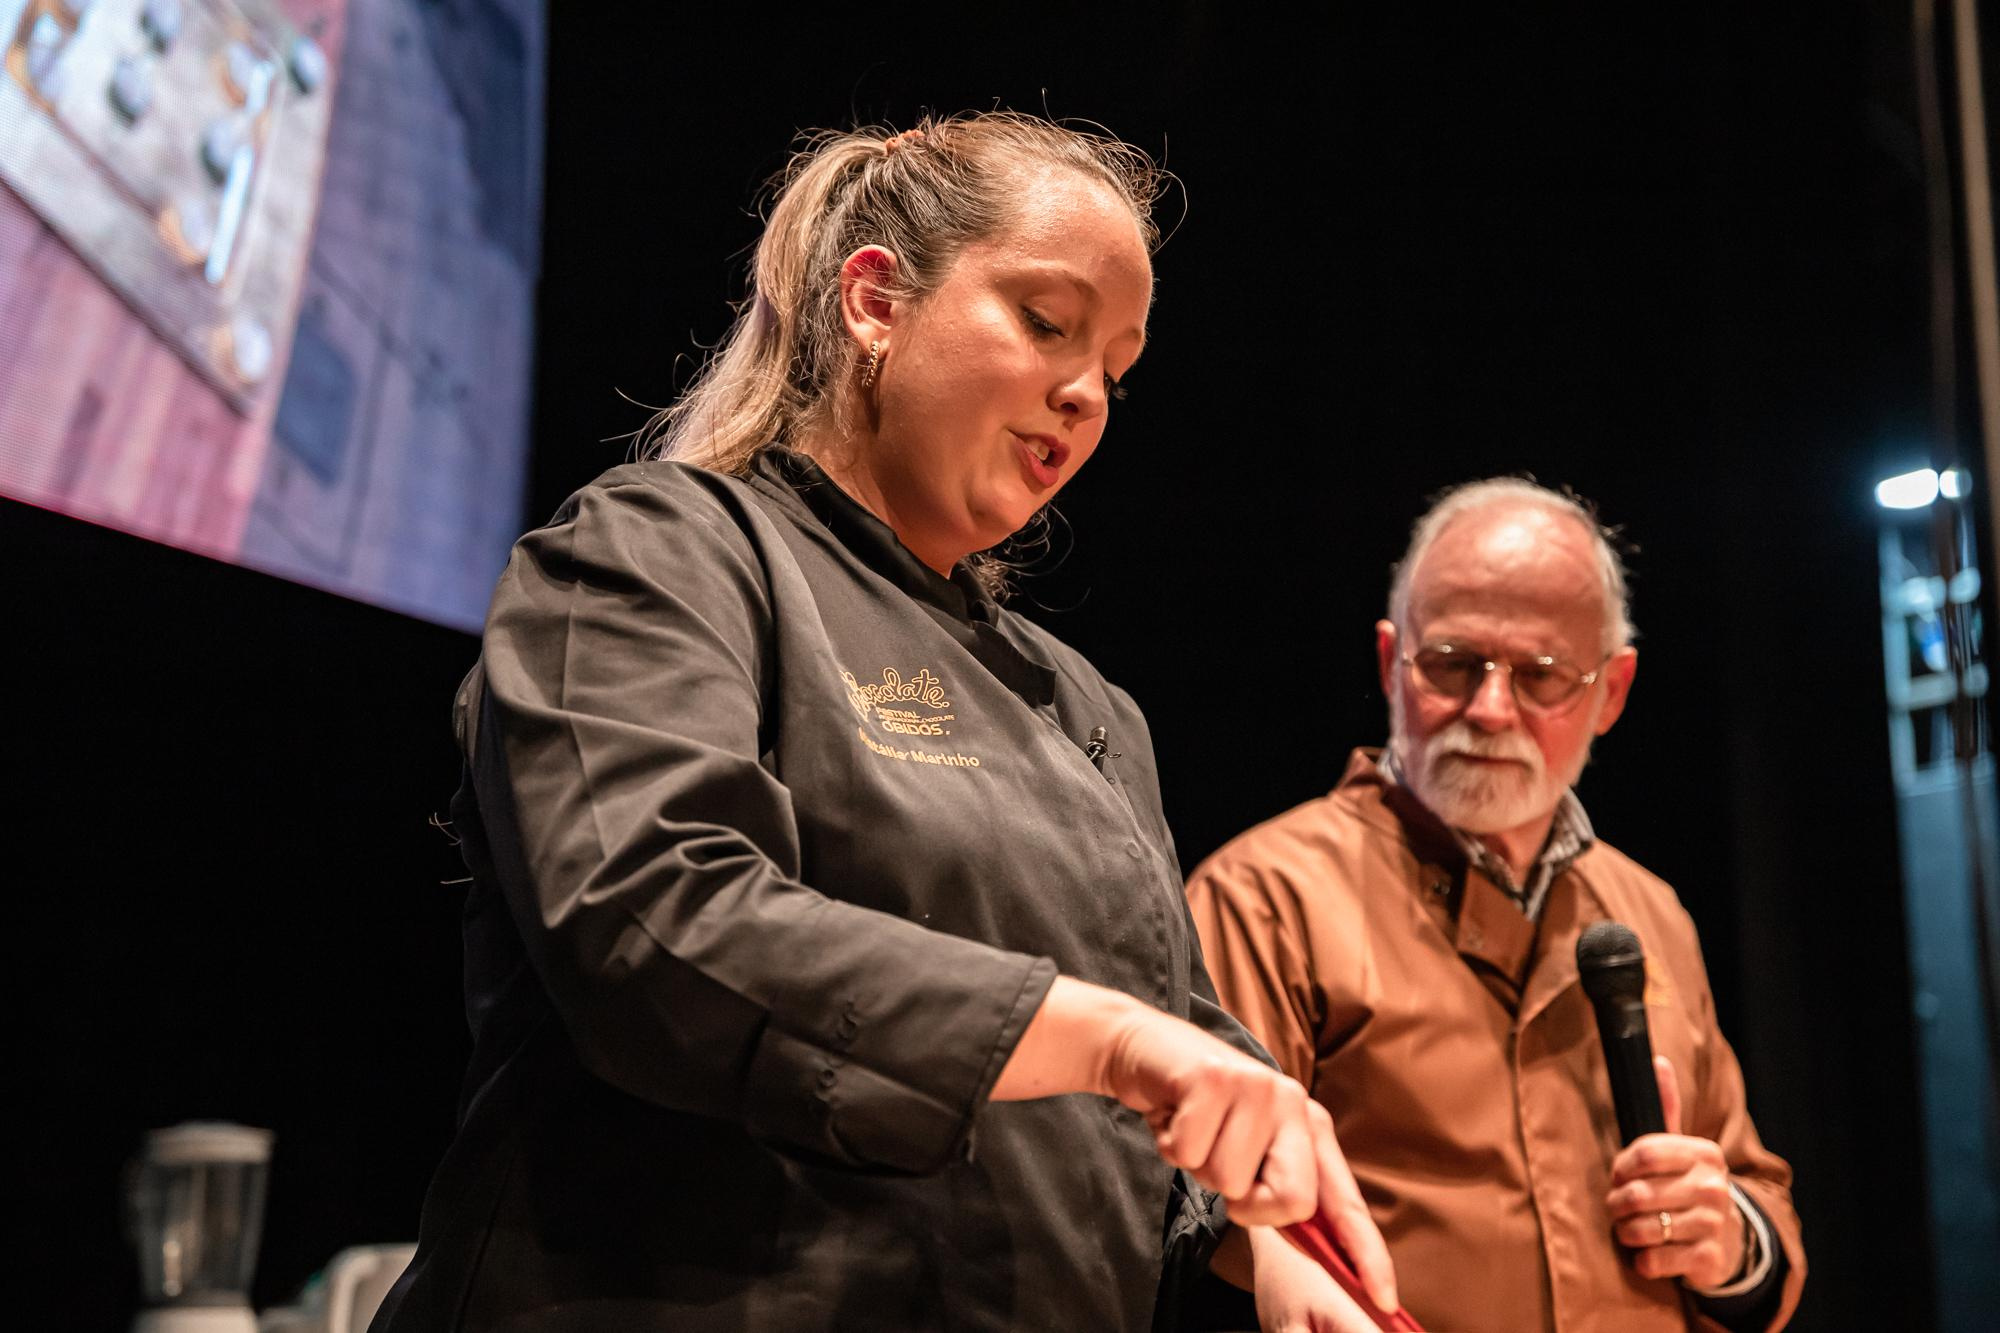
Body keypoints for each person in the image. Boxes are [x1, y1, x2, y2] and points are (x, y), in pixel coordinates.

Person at [370, 113, 1394, 1332]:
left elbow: (1171, 1038)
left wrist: (1260, 1224)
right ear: (873, 302)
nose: (1084, 394)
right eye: (1046, 322)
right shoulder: (659, 550)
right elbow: (651, 919)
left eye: (1115, 370)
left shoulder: (1087, 705)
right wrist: (1111, 1041)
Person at [1185, 479, 1807, 1332]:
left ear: (1612, 691)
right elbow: (1203, 1207)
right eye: (1451, 663)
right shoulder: (1263, 897)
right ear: (1389, 662)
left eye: (1541, 675)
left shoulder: (1650, 909)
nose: (1489, 708)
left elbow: (1753, 1187)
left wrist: (1729, 1236)